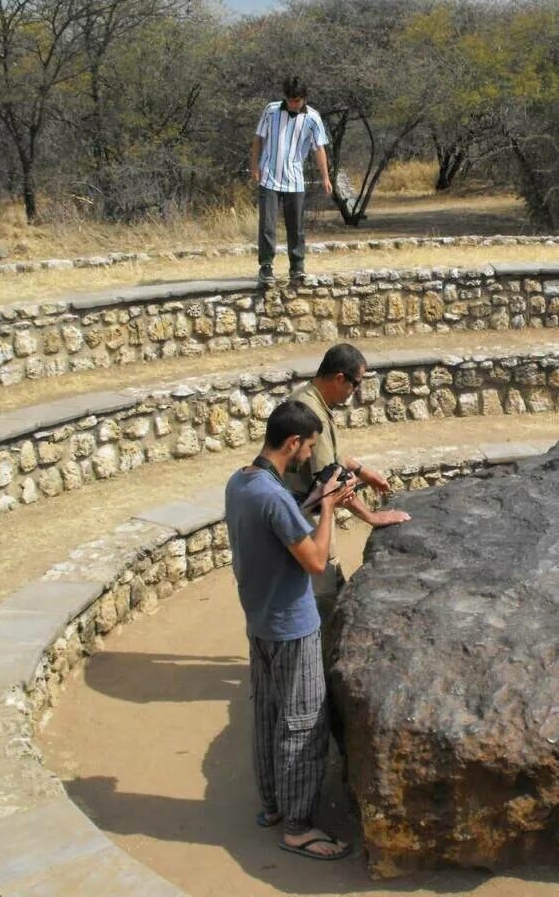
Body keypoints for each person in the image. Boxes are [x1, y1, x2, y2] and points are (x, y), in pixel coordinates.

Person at [224, 399, 358, 861]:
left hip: (259, 621)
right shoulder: (275, 497)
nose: (309, 457)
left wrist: (314, 500)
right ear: (293, 441)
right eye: (308, 447)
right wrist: (328, 511)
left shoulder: (241, 482)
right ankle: (299, 827)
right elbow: (316, 560)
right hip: (292, 627)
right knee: (303, 723)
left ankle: (273, 806)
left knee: (267, 713)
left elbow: (276, 528)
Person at [283, 343, 411, 607]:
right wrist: (371, 516)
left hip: (301, 514)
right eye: (355, 384)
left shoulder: (307, 398)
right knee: (327, 599)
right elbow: (330, 483)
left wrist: (363, 471)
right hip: (307, 521)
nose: (354, 392)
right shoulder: (311, 413)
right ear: (340, 378)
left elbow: (331, 455)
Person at [251, 75, 332, 285]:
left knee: (295, 226)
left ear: (304, 98)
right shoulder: (271, 110)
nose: (293, 104)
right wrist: (255, 167)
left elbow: (319, 148)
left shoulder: (313, 118)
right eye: (290, 100)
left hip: (295, 180)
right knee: (267, 224)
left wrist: (325, 177)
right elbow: (258, 138)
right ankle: (266, 267)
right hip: (269, 176)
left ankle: (297, 266)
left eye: (297, 100)